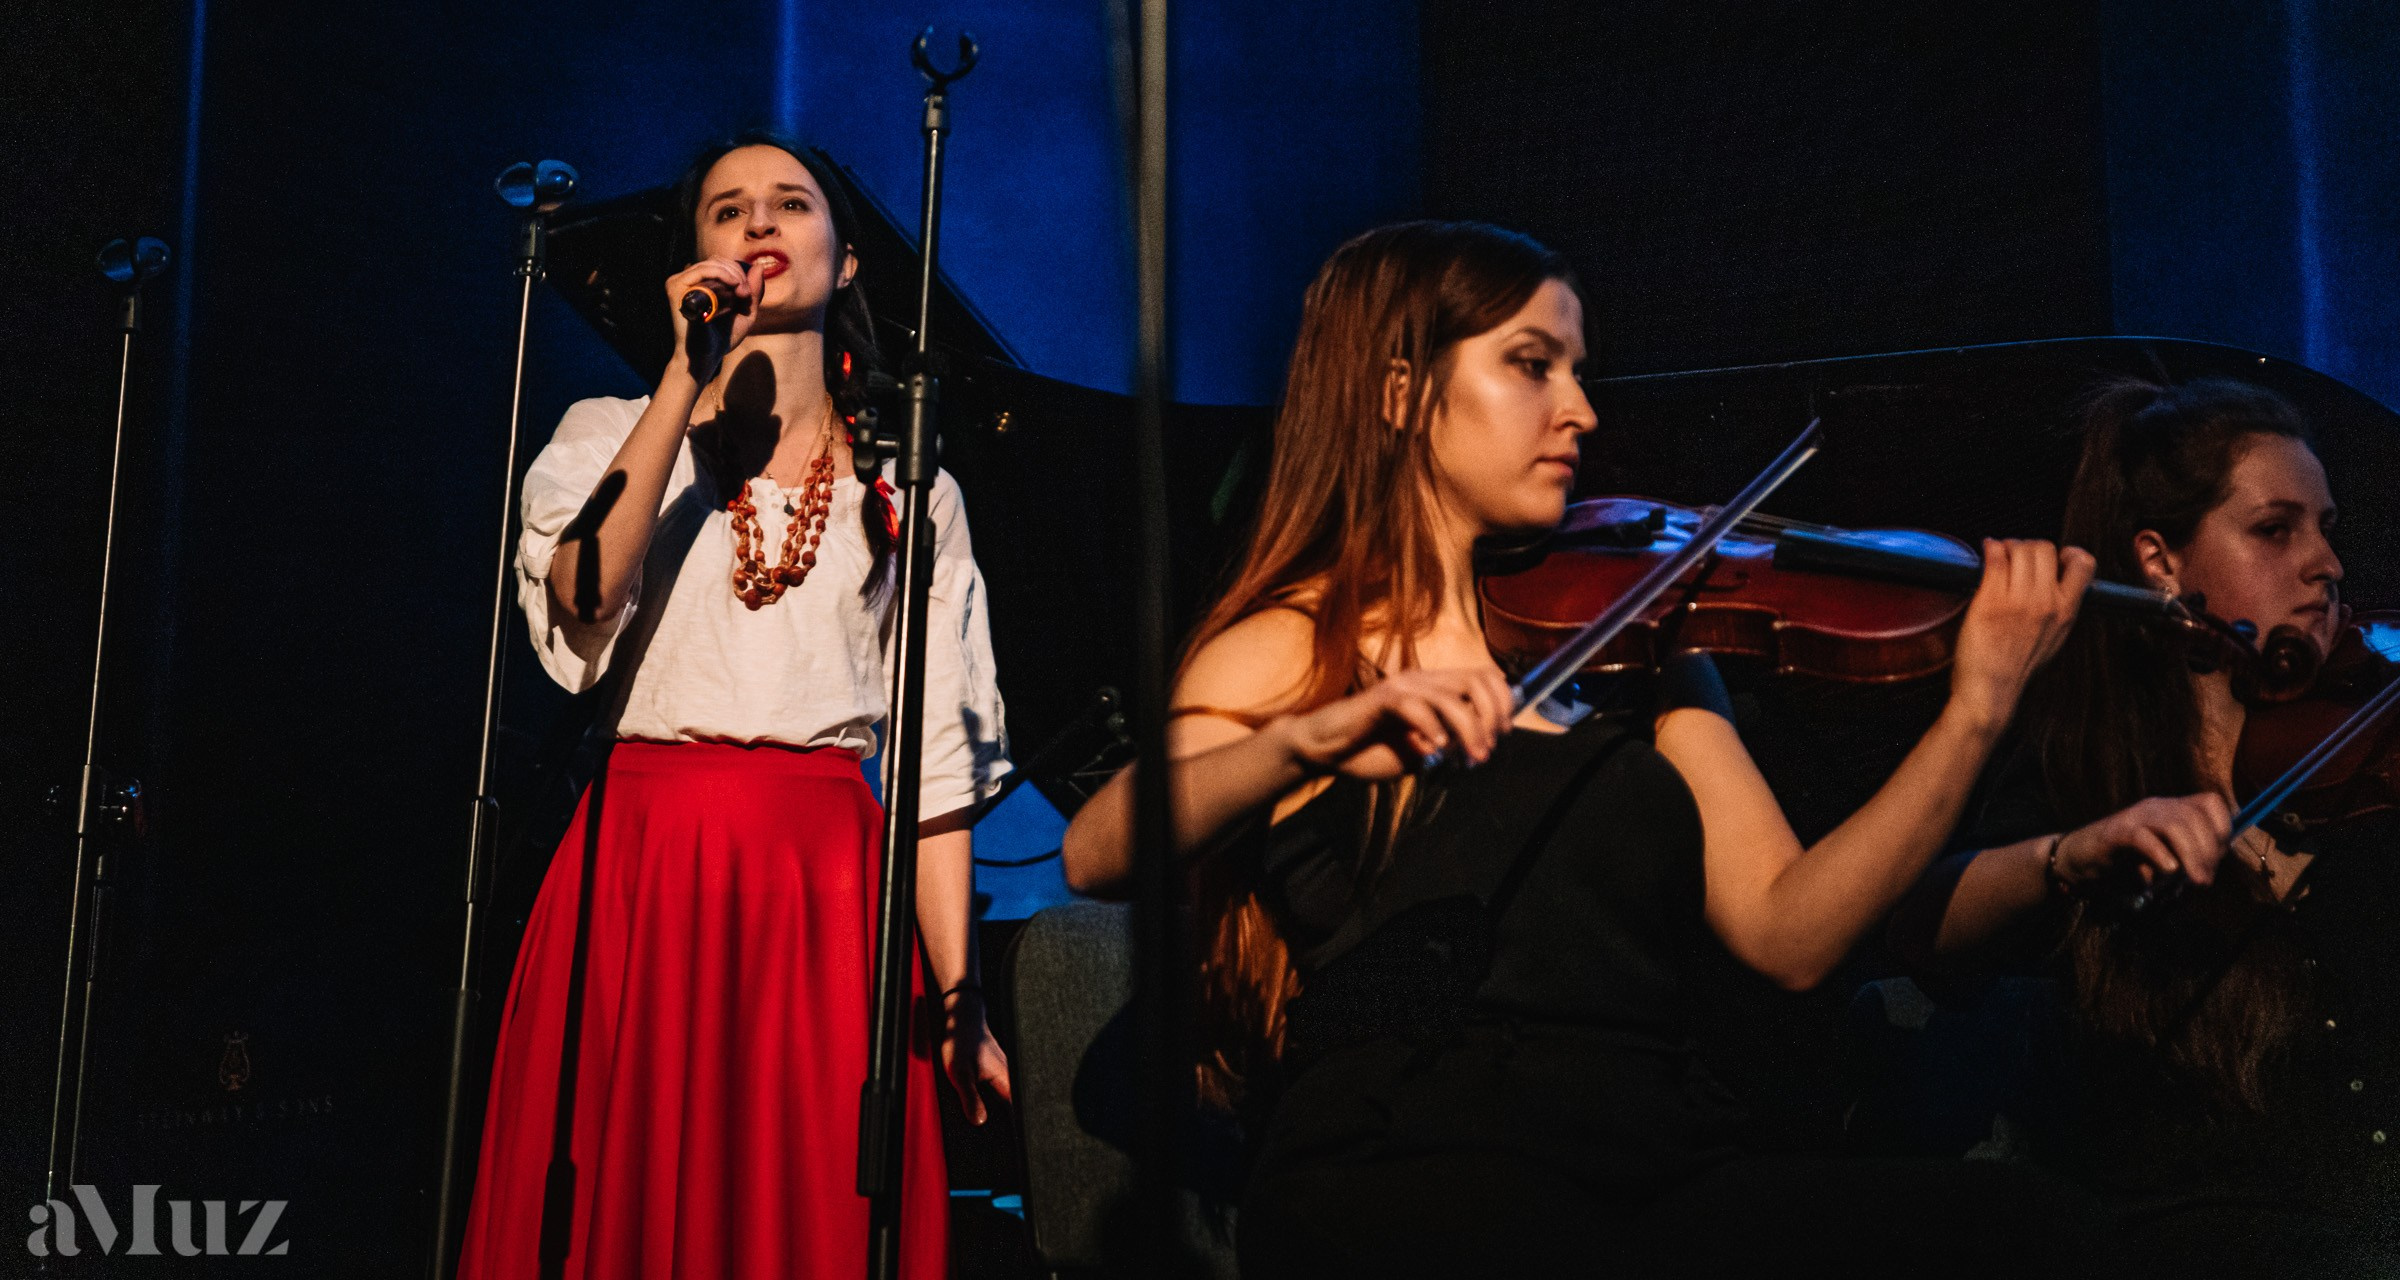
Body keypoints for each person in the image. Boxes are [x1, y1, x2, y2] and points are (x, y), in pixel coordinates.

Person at [1061, 220, 2099, 1276]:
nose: (1582, 411)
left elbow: (1793, 931)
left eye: (1578, 371)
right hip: (1409, 1162)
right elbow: (1100, 849)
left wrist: (1976, 711)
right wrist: (1313, 733)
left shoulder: (1637, 632)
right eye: (1531, 365)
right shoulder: (1291, 646)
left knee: (2025, 1230)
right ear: (1400, 394)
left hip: (1647, 1158)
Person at [456, 132, 1012, 1280]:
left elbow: (936, 773)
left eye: (791, 204)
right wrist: (680, 376)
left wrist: (959, 993)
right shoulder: (605, 436)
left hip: (825, 889)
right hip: (645, 866)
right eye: (727, 211)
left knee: (802, 1210)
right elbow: (582, 594)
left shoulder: (909, 481)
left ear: (846, 259)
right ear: (695, 255)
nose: (760, 227)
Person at [1889, 378, 2400, 1277]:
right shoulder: (2084, 766)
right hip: (2192, 1236)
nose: (2327, 563)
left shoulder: (2365, 744)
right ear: (2160, 562)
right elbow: (1923, 926)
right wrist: (2065, 859)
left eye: (2326, 526)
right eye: (2276, 530)